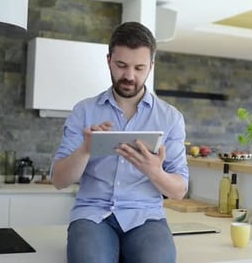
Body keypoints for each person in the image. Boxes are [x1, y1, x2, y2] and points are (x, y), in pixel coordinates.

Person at [50, 21, 189, 263]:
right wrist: (85, 149)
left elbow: (179, 190)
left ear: (151, 66)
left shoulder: (170, 118)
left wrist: (155, 172)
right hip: (92, 215)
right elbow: (59, 180)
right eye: (121, 65)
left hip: (146, 218)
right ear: (108, 61)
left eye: (139, 67)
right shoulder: (84, 111)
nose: (129, 76)